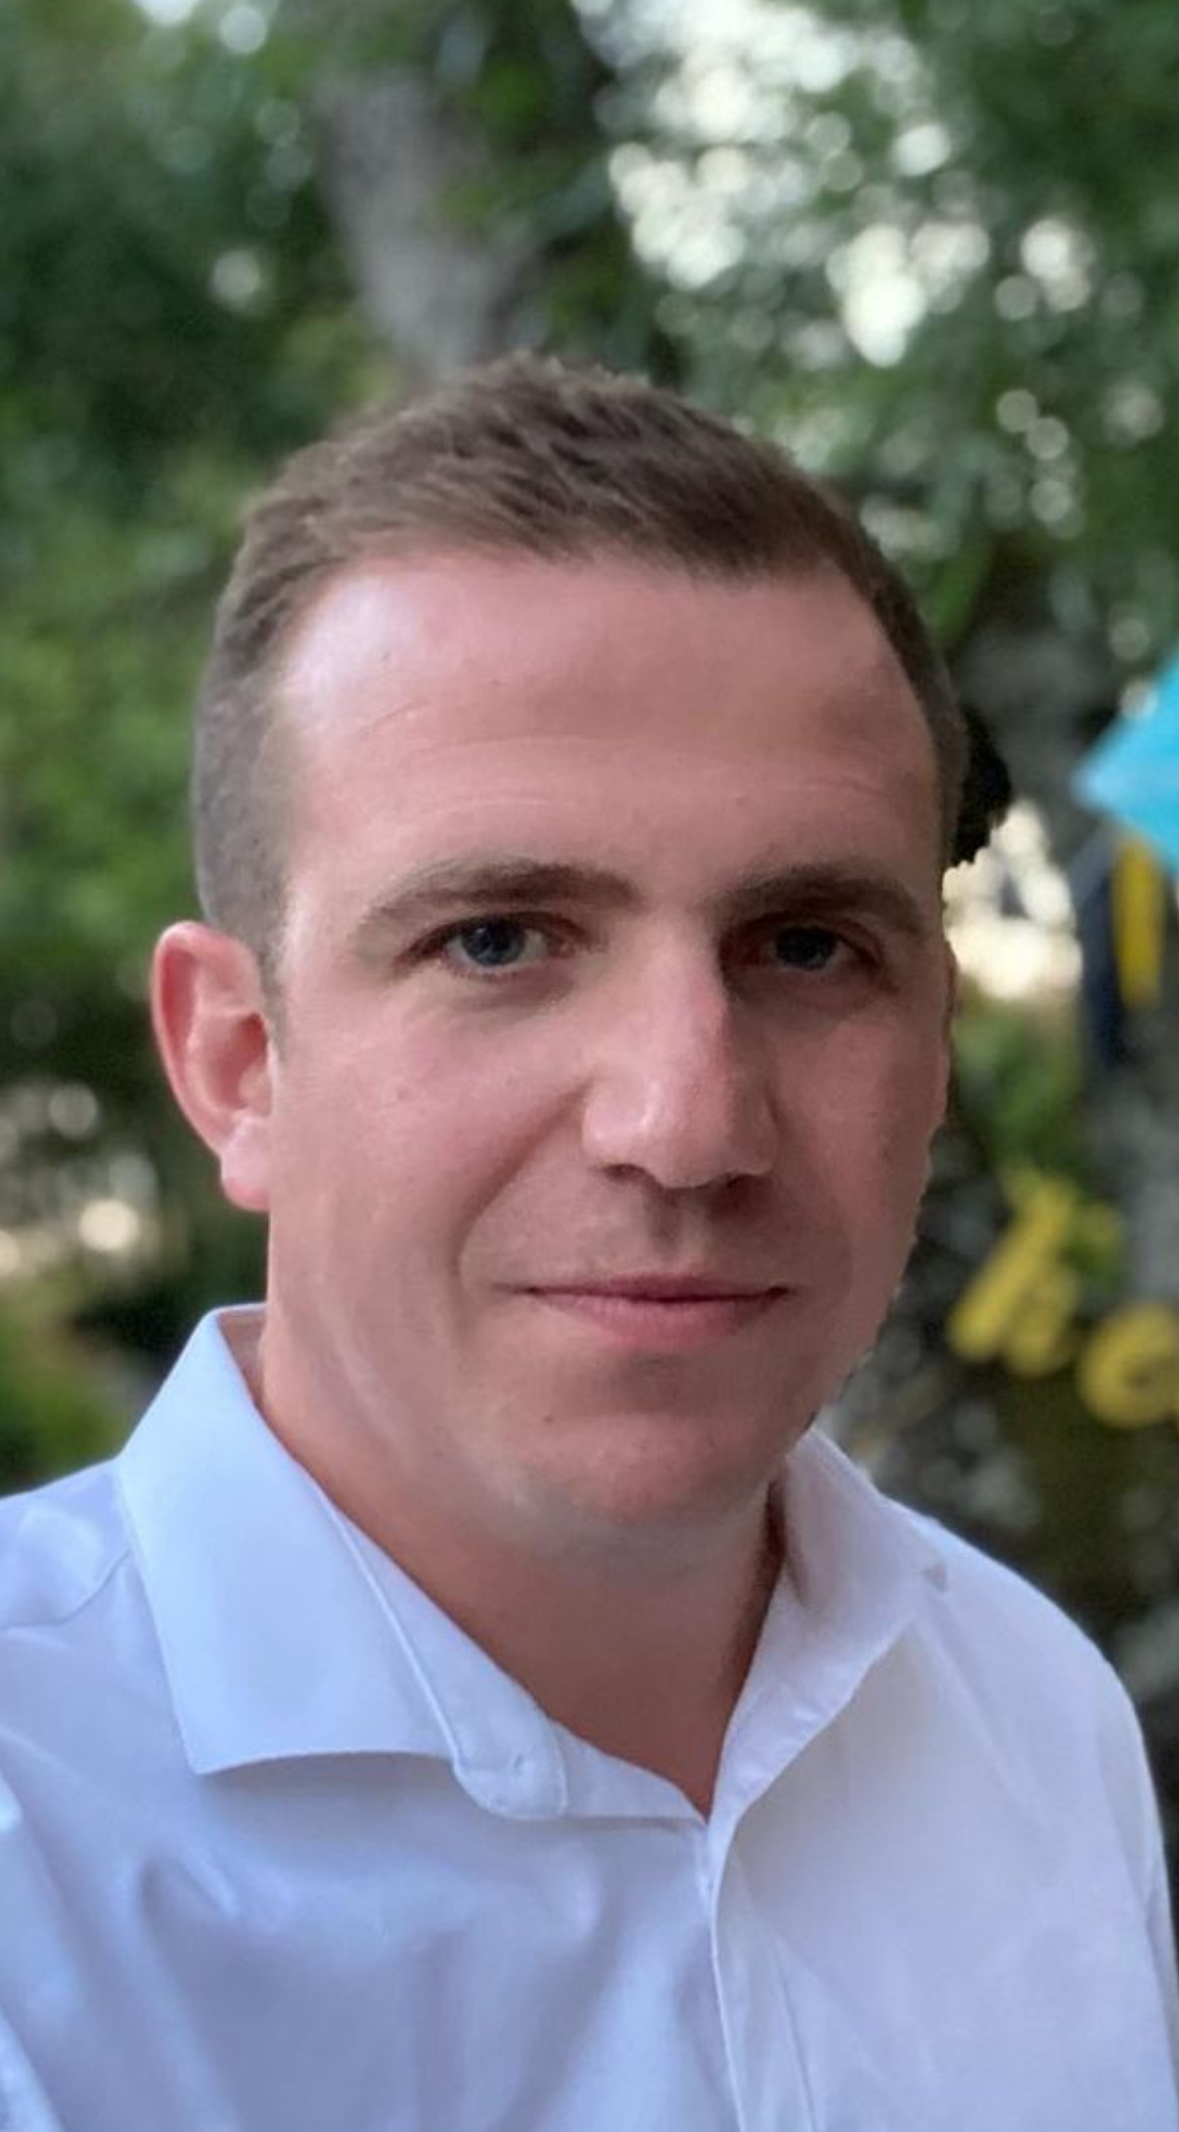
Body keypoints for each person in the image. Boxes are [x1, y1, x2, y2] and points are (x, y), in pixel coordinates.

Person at [1, 356, 1175, 2132]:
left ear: (937, 1044)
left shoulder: (1031, 1713)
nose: (685, 1124)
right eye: (497, 940)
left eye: (807, 948)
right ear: (239, 1064)